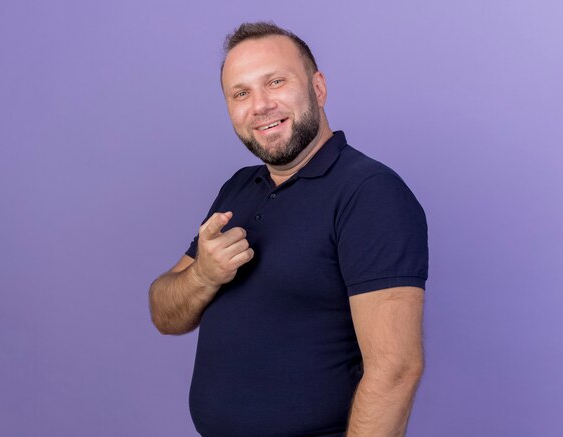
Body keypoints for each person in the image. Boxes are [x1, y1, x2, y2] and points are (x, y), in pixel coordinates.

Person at [149, 21, 428, 437]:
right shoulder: (240, 187)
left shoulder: (370, 194)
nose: (259, 105)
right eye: (240, 93)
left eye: (275, 82)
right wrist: (203, 276)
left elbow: (397, 369)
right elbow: (165, 314)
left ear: (318, 88)